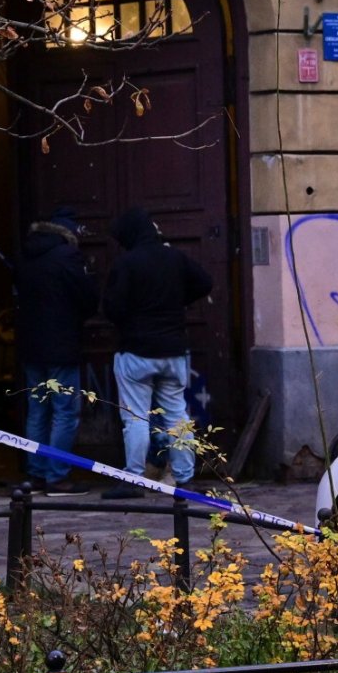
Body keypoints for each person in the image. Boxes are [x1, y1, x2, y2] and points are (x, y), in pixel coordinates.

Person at [99, 206, 213, 500]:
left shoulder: (127, 263)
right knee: (177, 416)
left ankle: (134, 478)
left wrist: (131, 320)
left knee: (136, 417)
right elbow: (204, 282)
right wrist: (177, 302)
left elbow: (112, 308)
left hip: (136, 350)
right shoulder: (174, 257)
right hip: (173, 350)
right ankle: (185, 481)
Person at [14, 207, 99, 495]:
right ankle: (57, 476)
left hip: (31, 346)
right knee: (64, 412)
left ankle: (36, 474)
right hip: (61, 346)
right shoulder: (67, 257)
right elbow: (88, 297)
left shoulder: (26, 257)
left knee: (37, 411)